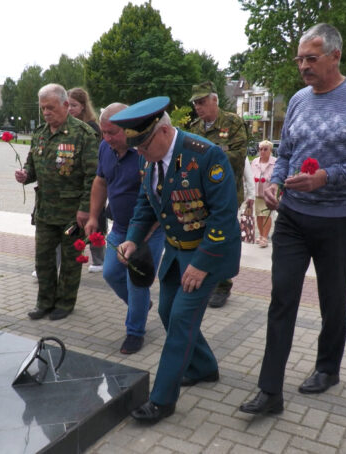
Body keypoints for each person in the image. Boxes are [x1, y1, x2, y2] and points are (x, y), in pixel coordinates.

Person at [239, 23, 346, 416]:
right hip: (292, 217)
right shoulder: (298, 100)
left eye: (311, 58)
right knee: (281, 297)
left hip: (338, 219)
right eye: (299, 59)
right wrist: (273, 182)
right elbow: (285, 152)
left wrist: (327, 176)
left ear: (335, 56)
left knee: (332, 300)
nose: (303, 66)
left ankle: (328, 368)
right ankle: (270, 391)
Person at [114, 97, 241, 423]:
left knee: (182, 321)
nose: (138, 153)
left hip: (208, 253)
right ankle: (205, 368)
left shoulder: (206, 156)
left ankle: (162, 400)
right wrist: (132, 238)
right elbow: (146, 204)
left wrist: (202, 263)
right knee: (168, 312)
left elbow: (224, 216)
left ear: (164, 132)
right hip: (176, 251)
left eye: (142, 146)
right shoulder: (149, 158)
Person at [85, 102, 165, 355]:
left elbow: (159, 197)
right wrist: (93, 216)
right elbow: (100, 182)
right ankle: (140, 307)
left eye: (112, 132)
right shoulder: (105, 149)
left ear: (129, 129)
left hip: (148, 229)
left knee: (137, 280)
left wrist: (139, 237)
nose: (107, 138)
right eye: (103, 132)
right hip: (119, 226)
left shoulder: (145, 151)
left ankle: (135, 332)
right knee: (110, 272)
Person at [15, 83, 99, 321]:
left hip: (72, 214)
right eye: (43, 109)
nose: (46, 113)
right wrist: (25, 175)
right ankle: (44, 302)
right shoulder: (40, 134)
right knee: (43, 259)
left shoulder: (83, 134)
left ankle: (65, 303)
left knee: (71, 261)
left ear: (65, 105)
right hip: (45, 211)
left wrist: (85, 209)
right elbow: (33, 166)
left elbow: (92, 177)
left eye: (50, 107)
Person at [188, 80, 248, 308]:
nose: (198, 107)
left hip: (226, 194)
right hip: (200, 195)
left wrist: (208, 156)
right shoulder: (194, 128)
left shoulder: (232, 123)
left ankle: (223, 286)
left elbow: (238, 157)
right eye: (196, 104)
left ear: (215, 100)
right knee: (200, 236)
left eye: (202, 102)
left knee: (221, 237)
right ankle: (203, 278)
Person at [68, 87, 104, 272]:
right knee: (74, 222)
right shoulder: (68, 126)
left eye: (74, 105)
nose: (70, 109)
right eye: (68, 105)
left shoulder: (91, 127)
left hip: (91, 180)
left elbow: (96, 158)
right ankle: (74, 255)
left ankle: (99, 259)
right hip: (73, 183)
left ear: (83, 106)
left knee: (94, 217)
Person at [250, 140, 276, 247]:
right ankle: (260, 235)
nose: (262, 151)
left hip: (268, 193)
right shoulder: (255, 162)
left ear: (270, 150)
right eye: (260, 149)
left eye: (265, 149)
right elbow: (250, 177)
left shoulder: (275, 162)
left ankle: (265, 237)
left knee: (267, 215)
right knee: (259, 215)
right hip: (257, 192)